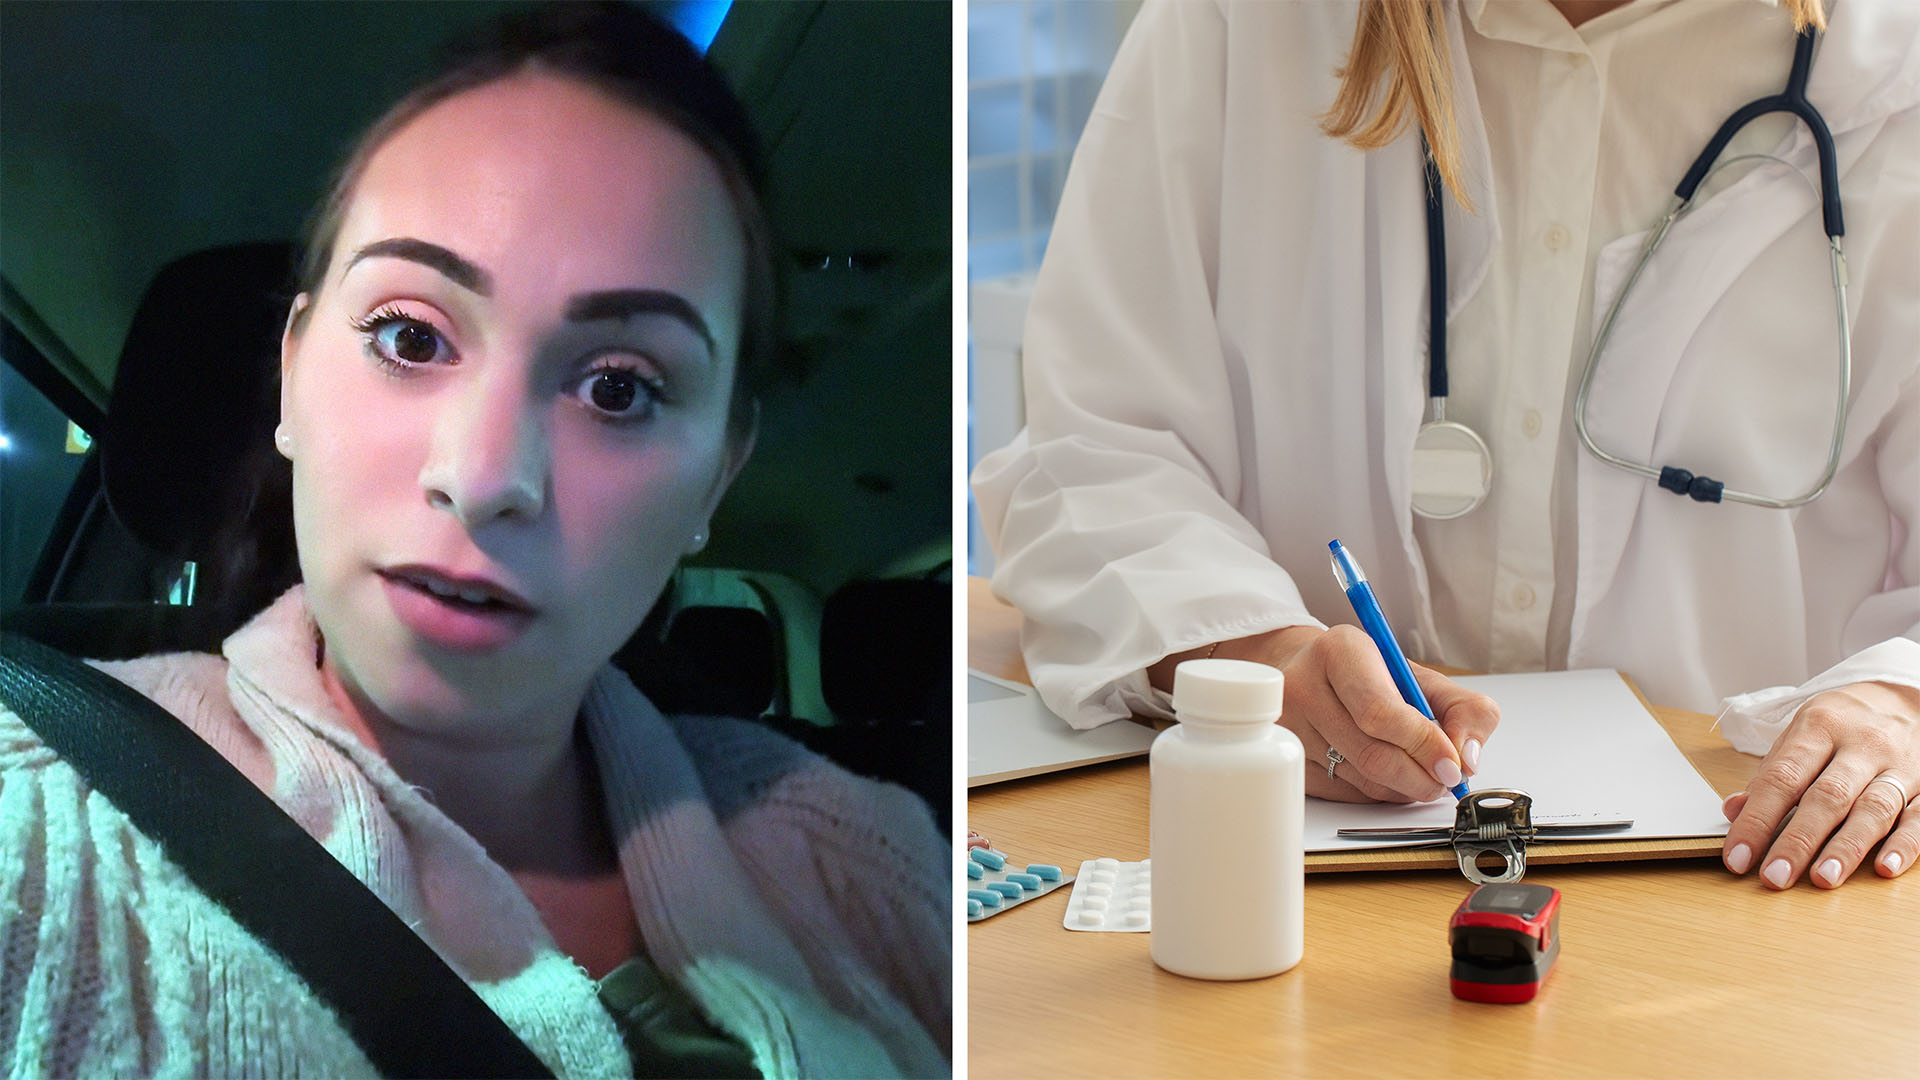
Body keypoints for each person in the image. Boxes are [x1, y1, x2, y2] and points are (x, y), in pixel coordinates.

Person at [0, 5, 948, 1076]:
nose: (486, 477)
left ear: (716, 479)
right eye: (409, 336)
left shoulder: (881, 857)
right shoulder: (35, 825)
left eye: (619, 389)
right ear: (293, 373)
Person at [974, 0, 1918, 892]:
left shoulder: (1896, 71)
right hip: (1292, 873)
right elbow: (1093, 451)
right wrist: (1248, 650)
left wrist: (1898, 703)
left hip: (1745, 893)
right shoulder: (1242, 25)